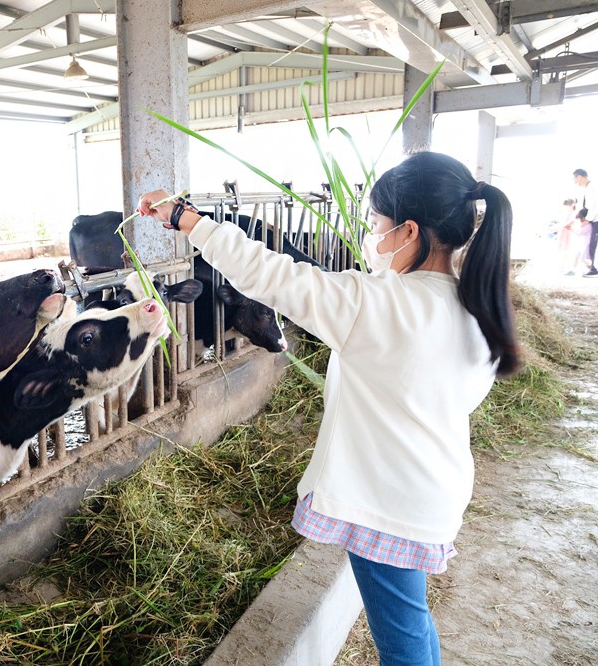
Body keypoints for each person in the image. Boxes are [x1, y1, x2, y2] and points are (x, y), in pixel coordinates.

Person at [137, 150, 520, 666]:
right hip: (433, 490)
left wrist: (186, 220)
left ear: (407, 231)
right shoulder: (477, 306)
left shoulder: (378, 304)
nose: (371, 232)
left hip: (389, 503)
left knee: (401, 634)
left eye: (376, 222)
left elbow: (268, 274)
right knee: (412, 615)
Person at [572, 168, 598, 277]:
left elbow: (594, 205)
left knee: (592, 245)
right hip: (594, 220)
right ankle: (593, 268)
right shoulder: (588, 188)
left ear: (579, 177)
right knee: (591, 245)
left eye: (575, 179)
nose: (575, 181)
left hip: (595, 220)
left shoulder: (592, 187)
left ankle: (594, 270)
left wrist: (587, 219)